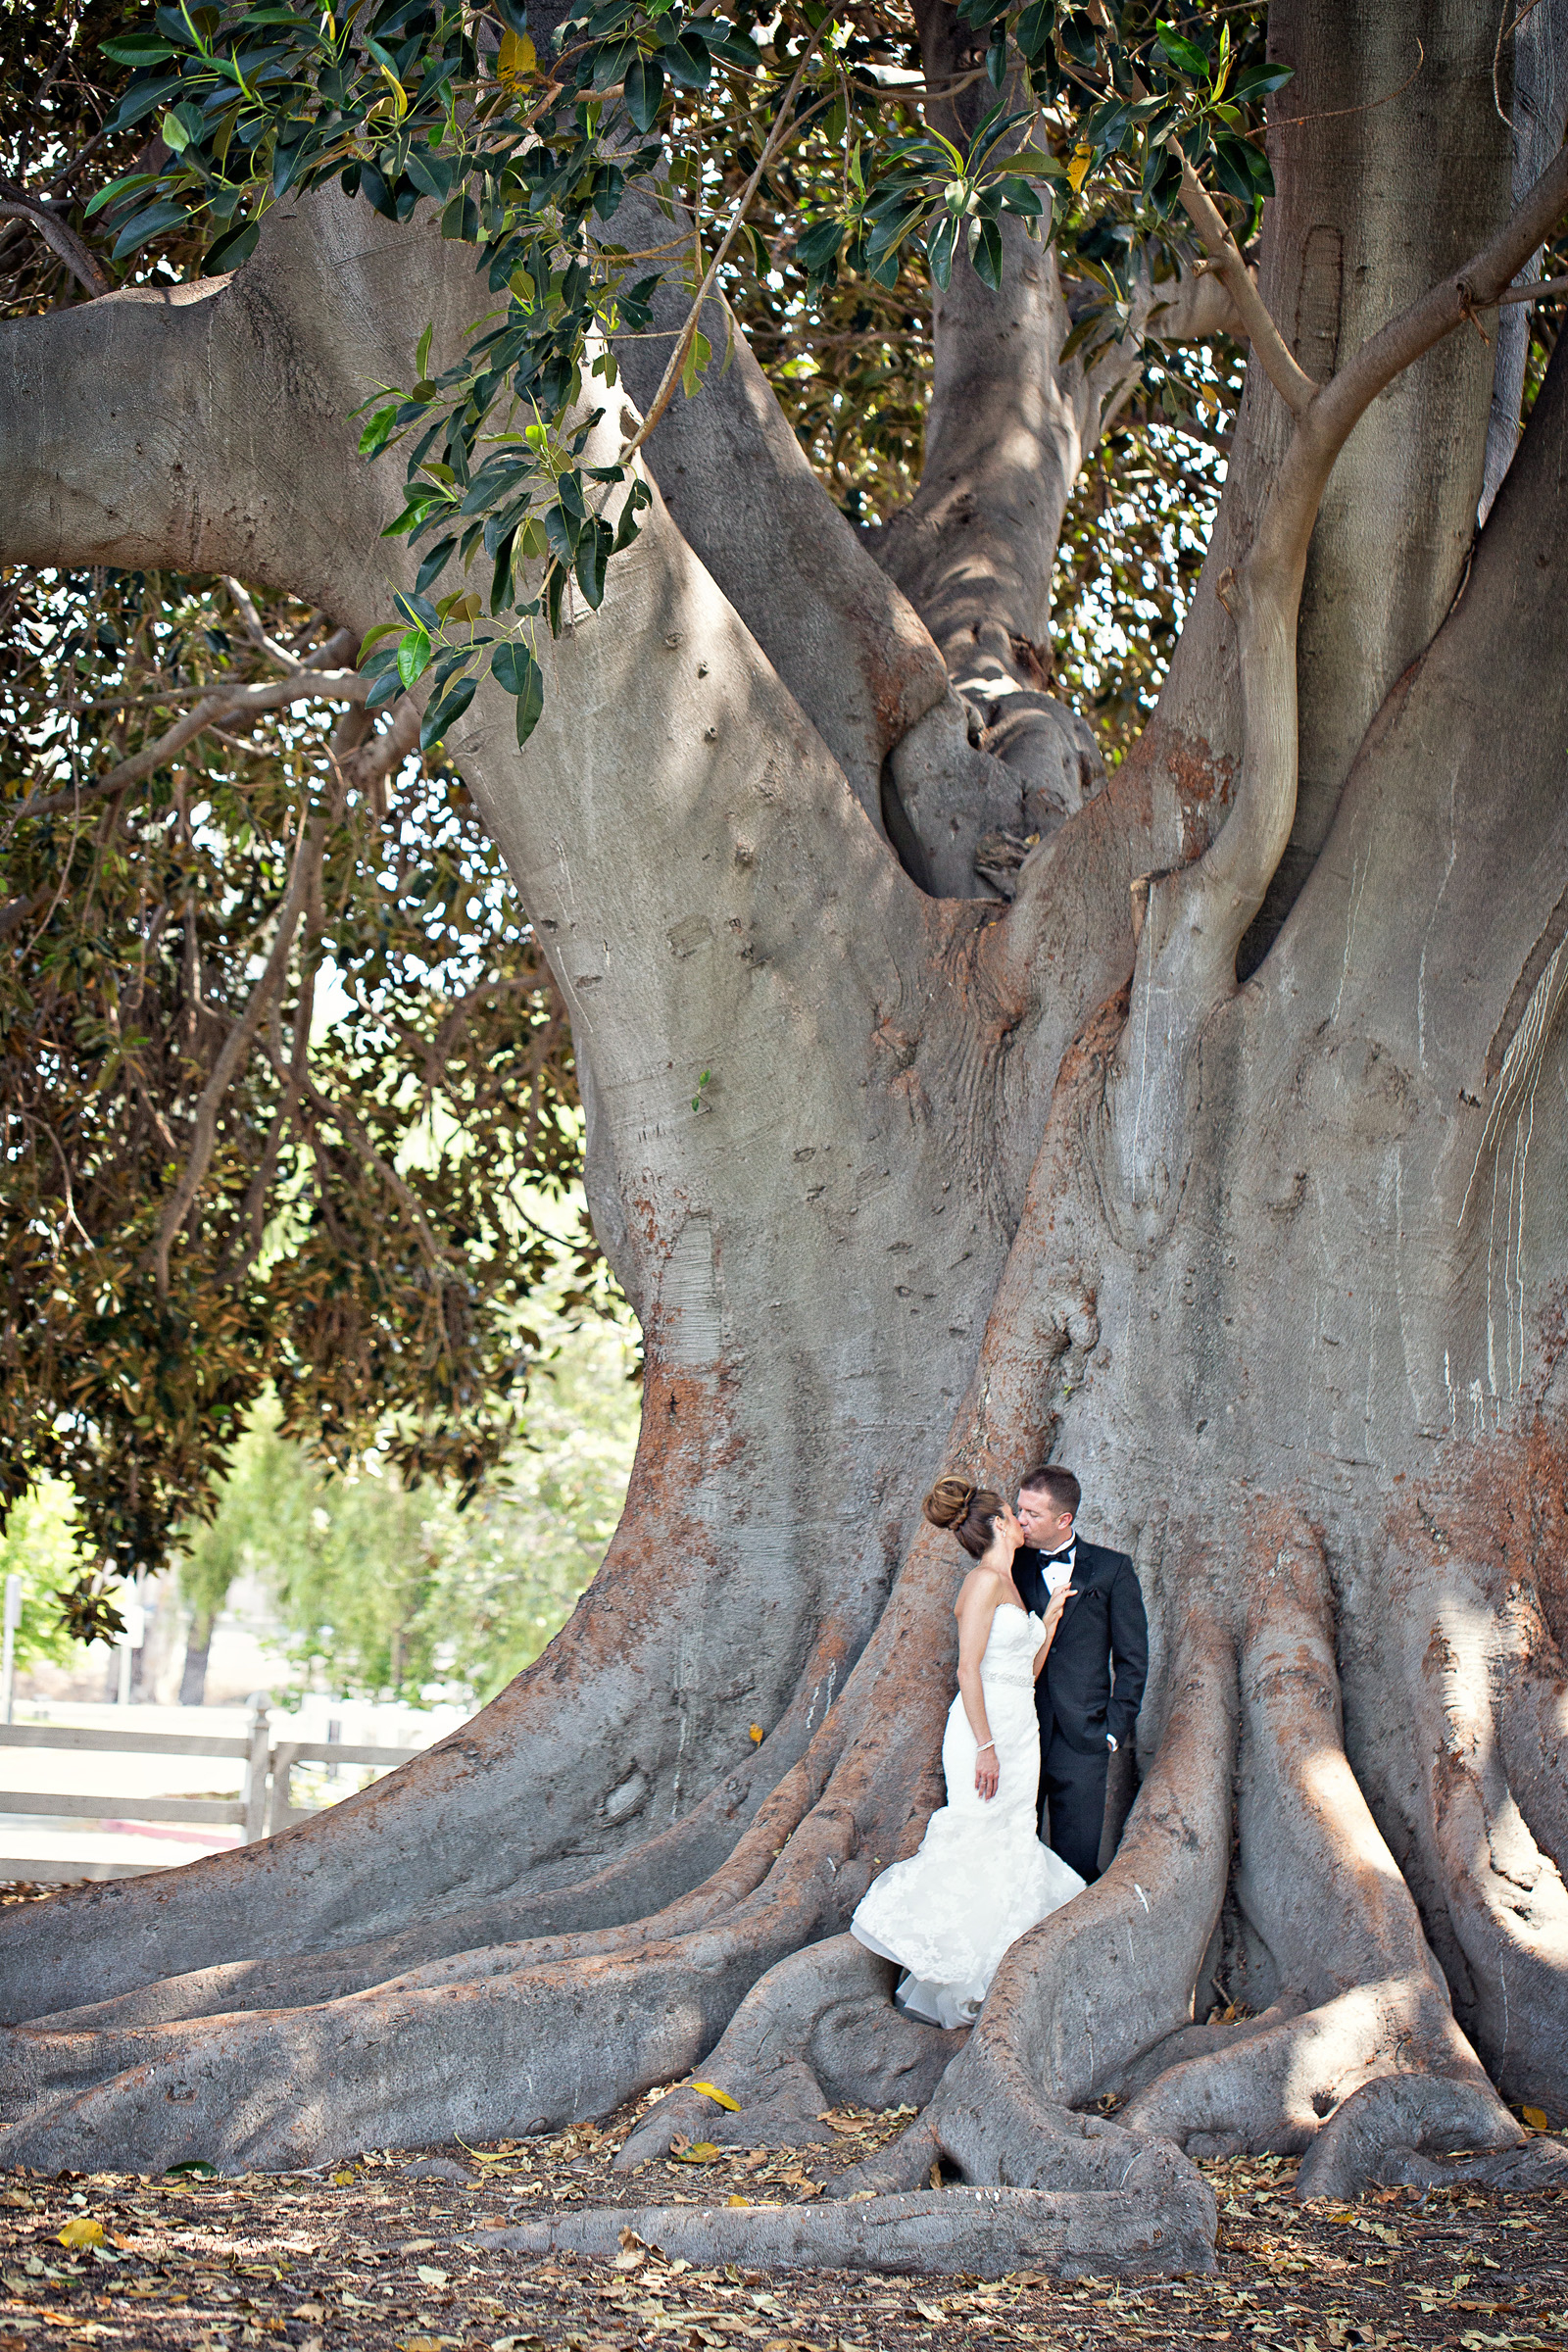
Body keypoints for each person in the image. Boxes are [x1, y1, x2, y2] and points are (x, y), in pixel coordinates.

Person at [849, 1475, 1085, 2029]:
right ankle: (954, 1972)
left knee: (1011, 1836)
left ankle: (991, 1967)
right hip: (984, 1730)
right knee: (978, 1830)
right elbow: (967, 1670)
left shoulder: (1010, 1583)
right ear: (1000, 1523)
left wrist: (1046, 1622)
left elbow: (1023, 1672)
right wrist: (984, 1745)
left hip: (1018, 1725)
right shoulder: (981, 1582)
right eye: (1016, 1514)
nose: (1024, 1522)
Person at [1012, 1464, 1148, 1884]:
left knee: (1075, 1865)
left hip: (1085, 1738)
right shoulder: (1011, 1566)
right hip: (1019, 1730)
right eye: (1019, 1509)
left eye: (1032, 1514)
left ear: (1063, 1520)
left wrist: (1113, 1729)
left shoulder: (1112, 1570)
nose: (1020, 1521)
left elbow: (1132, 1658)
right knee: (1014, 1853)